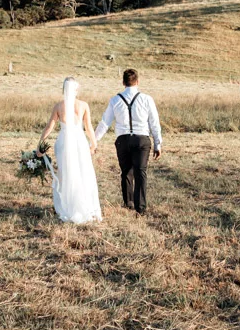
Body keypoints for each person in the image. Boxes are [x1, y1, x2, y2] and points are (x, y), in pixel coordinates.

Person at [95, 68, 163, 215]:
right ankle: (141, 207)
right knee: (141, 172)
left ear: (123, 82)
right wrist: (158, 143)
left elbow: (105, 123)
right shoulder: (146, 99)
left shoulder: (115, 100)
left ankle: (129, 203)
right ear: (137, 82)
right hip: (141, 139)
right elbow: (154, 123)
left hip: (123, 140)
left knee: (126, 172)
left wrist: (94, 141)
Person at [37, 77, 102, 224]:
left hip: (64, 142)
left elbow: (49, 127)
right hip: (80, 141)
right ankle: (86, 205)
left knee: (66, 172)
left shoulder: (59, 106)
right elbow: (88, 127)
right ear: (76, 90)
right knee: (83, 171)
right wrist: (94, 144)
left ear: (63, 90)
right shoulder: (83, 105)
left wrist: (40, 143)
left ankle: (68, 205)